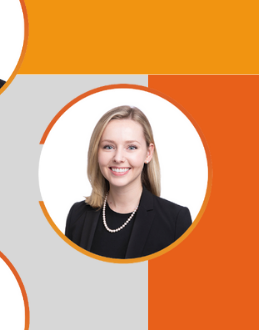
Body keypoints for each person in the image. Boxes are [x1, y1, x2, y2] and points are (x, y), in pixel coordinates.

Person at [65, 106, 192, 259]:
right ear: (96, 151)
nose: (118, 158)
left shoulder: (176, 220)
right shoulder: (77, 215)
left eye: (131, 147)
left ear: (148, 153)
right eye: (108, 147)